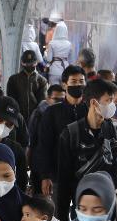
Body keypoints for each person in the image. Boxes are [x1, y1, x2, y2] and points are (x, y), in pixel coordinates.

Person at [55, 78, 117, 221]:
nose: (113, 105)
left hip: (112, 201)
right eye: (109, 100)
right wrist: (62, 218)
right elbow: (64, 178)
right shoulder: (71, 134)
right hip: (83, 204)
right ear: (94, 102)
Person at [32, 65, 88, 203]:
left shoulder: (90, 110)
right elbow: (44, 145)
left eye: (81, 81)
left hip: (85, 175)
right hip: (58, 175)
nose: (78, 85)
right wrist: (45, 176)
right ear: (65, 84)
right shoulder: (52, 112)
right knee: (59, 217)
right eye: (74, 82)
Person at [6, 49, 47, 118]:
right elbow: (11, 100)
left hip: (35, 118)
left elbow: (41, 102)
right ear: (22, 63)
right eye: (27, 63)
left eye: (31, 63)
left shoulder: (42, 80)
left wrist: (36, 117)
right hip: (18, 116)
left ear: (36, 63)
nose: (29, 65)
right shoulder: (13, 79)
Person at [44, 20, 73, 85]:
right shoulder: (69, 44)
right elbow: (71, 60)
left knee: (54, 91)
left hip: (54, 71)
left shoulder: (52, 43)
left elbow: (49, 59)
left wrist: (45, 55)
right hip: (65, 70)